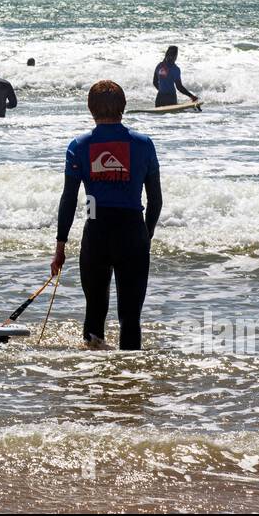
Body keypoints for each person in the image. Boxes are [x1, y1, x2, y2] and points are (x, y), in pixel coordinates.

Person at [50, 80, 161, 351]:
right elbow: (155, 201)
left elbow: (68, 199)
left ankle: (92, 379)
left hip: (96, 231)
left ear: (90, 108)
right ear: (123, 107)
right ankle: (130, 377)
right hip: (132, 230)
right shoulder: (144, 145)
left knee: (95, 311)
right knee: (130, 317)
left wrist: (60, 246)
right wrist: (145, 236)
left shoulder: (79, 146)